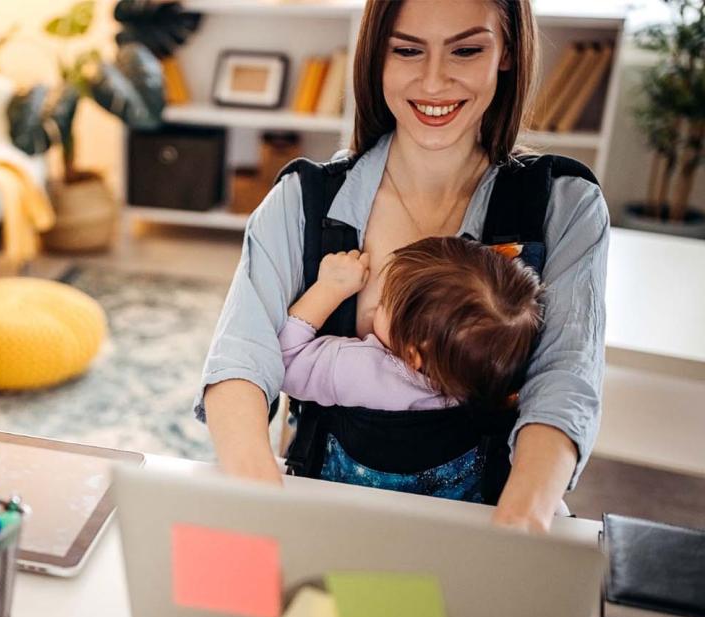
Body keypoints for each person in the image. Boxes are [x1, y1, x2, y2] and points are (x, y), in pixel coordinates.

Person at [195, 0, 609, 532]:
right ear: (376, 56)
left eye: (466, 49)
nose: (434, 81)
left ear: (506, 52)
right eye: (408, 50)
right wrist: (259, 495)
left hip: (495, 519)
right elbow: (241, 361)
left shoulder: (563, 202)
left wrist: (521, 521)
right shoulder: (302, 199)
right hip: (327, 512)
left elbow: (565, 378)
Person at [278, 238, 543, 500]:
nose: (373, 308)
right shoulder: (488, 387)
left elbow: (284, 361)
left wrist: (329, 288)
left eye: (383, 304)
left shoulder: (362, 369)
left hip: (347, 516)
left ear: (412, 354)